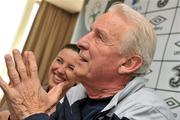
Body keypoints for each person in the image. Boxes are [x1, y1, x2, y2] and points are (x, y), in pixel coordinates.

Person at [0, 3, 175, 120]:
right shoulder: (75, 95)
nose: (82, 41)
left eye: (99, 37)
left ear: (127, 64)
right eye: (90, 32)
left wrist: (32, 112)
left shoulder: (148, 113)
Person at [0, 43, 80, 119]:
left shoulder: (74, 113)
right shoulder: (24, 91)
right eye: (59, 61)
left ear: (79, 79)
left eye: (71, 68)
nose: (60, 70)